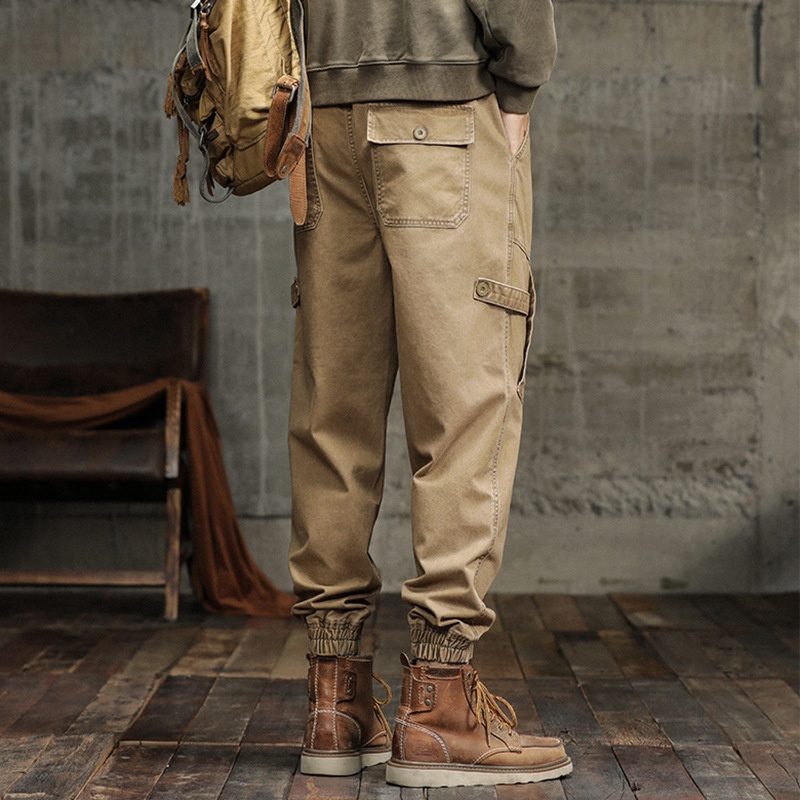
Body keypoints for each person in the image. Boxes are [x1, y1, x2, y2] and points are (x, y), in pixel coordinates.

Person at [287, 0, 572, 788]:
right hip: (444, 113)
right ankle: (439, 711)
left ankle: (335, 703)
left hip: (323, 115)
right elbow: (520, 23)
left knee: (333, 410)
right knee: (464, 407)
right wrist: (520, 85)